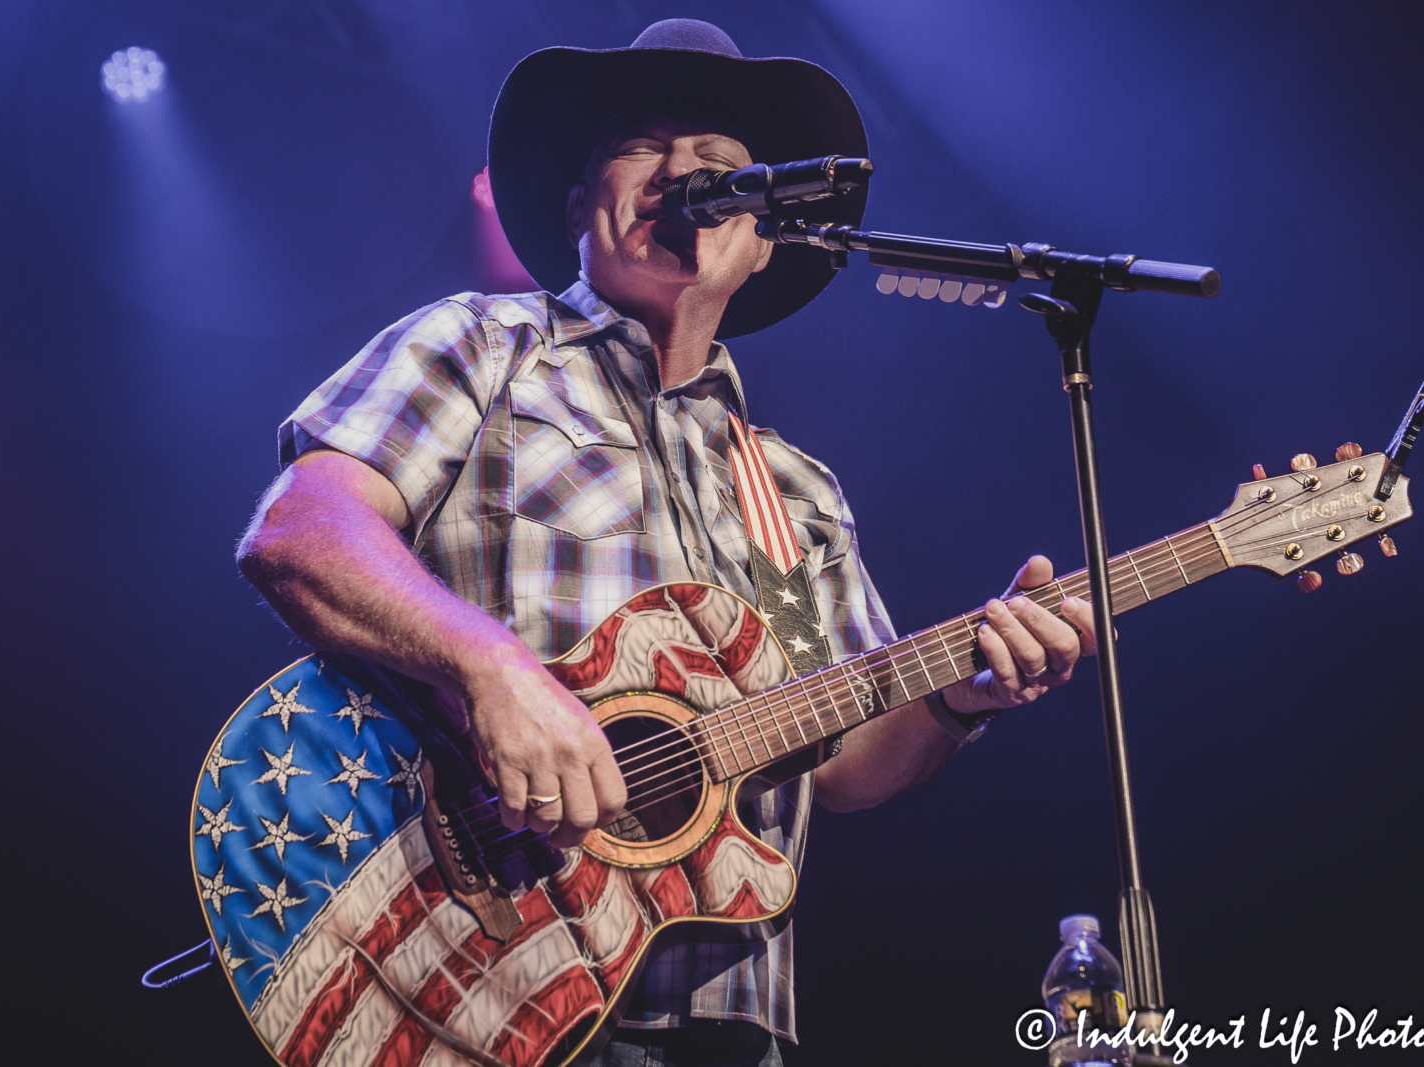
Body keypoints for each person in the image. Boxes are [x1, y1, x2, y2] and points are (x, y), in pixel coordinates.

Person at [237, 19, 1095, 1067]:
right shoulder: (484, 346)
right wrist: (493, 668)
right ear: (575, 204)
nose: (685, 171)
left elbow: (847, 764)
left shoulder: (793, 487)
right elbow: (299, 528)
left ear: (761, 235)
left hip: (725, 1022)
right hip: (475, 975)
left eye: (723, 166)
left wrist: (965, 692)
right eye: (644, 143)